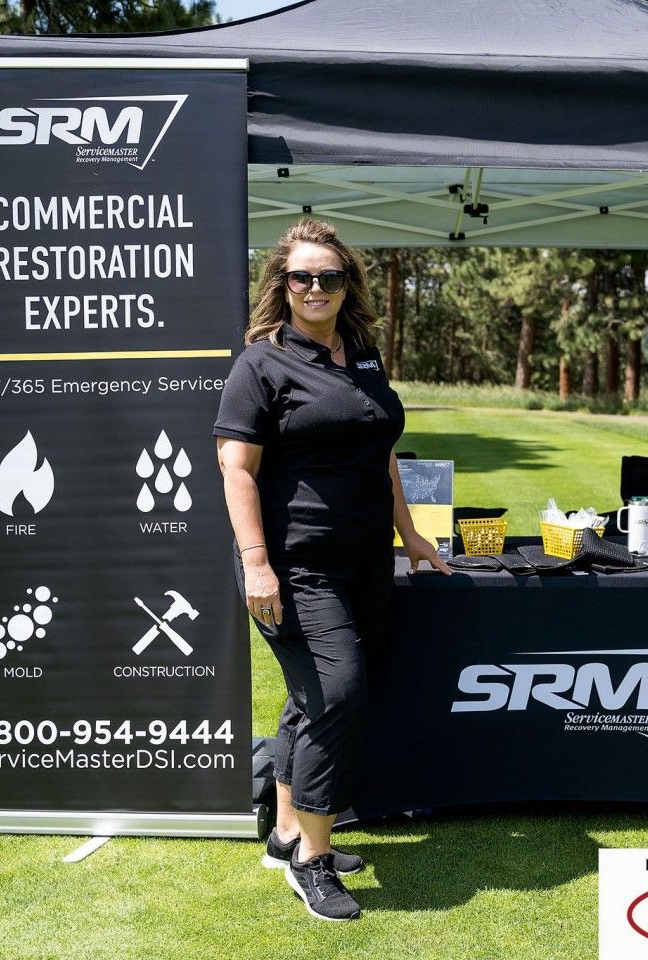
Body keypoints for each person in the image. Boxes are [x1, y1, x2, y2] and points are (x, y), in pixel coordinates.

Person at [214, 218, 450, 920]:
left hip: (365, 557)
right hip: (293, 563)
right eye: (302, 277)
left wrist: (409, 533)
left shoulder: (364, 355)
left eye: (330, 276)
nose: (316, 288)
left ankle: (287, 832)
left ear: (349, 285)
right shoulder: (260, 364)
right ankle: (314, 860)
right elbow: (236, 469)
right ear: (282, 286)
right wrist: (257, 564)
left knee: (314, 695)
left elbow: (380, 451)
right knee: (338, 693)